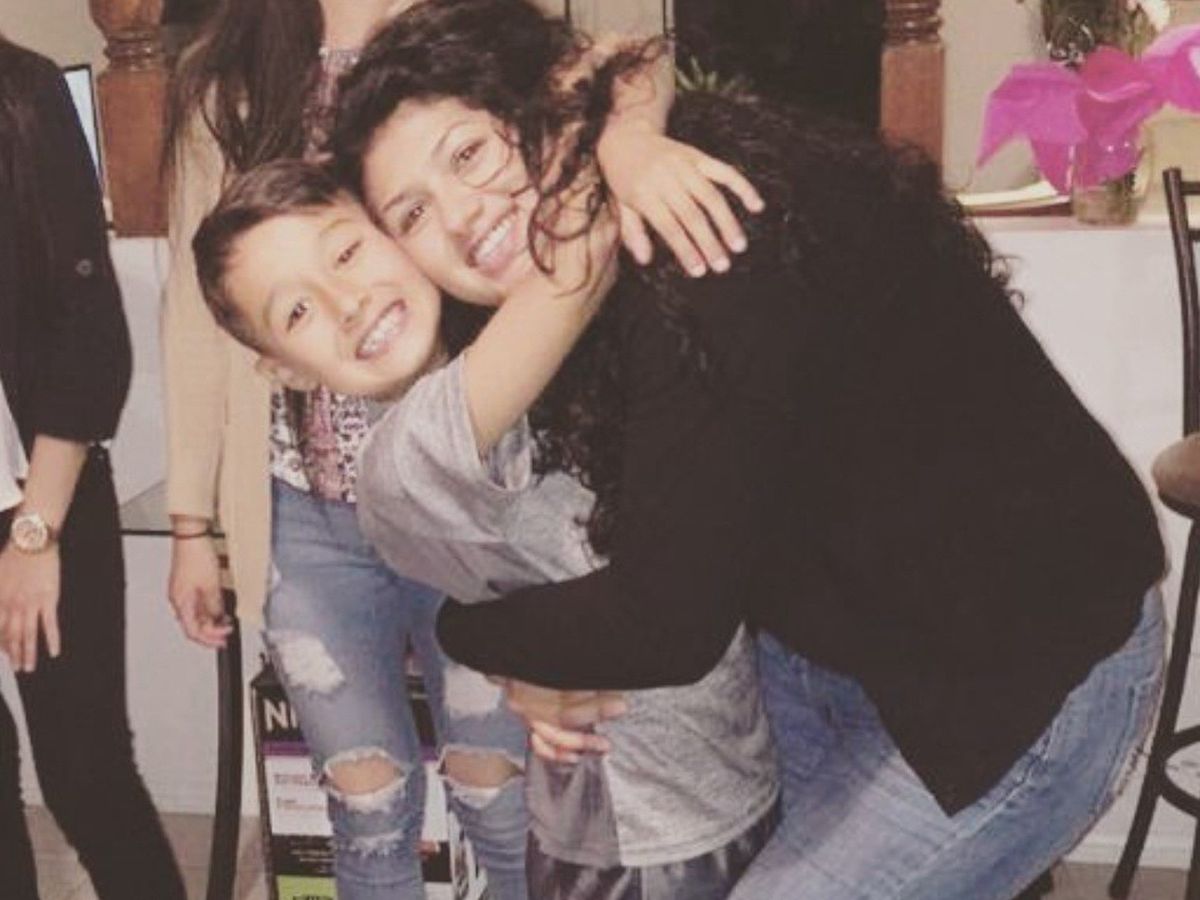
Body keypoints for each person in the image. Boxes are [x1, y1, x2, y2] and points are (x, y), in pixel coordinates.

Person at [318, 1, 1166, 897]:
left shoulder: (705, 235)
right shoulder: (573, 274)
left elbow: (664, 625)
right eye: (412, 212)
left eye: (468, 154)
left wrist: (464, 634)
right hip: (840, 652)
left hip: (1028, 672)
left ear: (543, 108)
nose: (460, 216)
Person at [163, 0, 763, 895]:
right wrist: (190, 519)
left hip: (489, 497)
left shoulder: (462, 29)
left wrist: (628, 144)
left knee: (504, 796)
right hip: (312, 513)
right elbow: (196, 314)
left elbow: (623, 64)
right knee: (365, 812)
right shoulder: (229, 81)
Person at [0, 36, 185, 900]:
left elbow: (88, 329)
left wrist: (36, 533)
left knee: (86, 774)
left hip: (39, 490)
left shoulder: (22, 94)